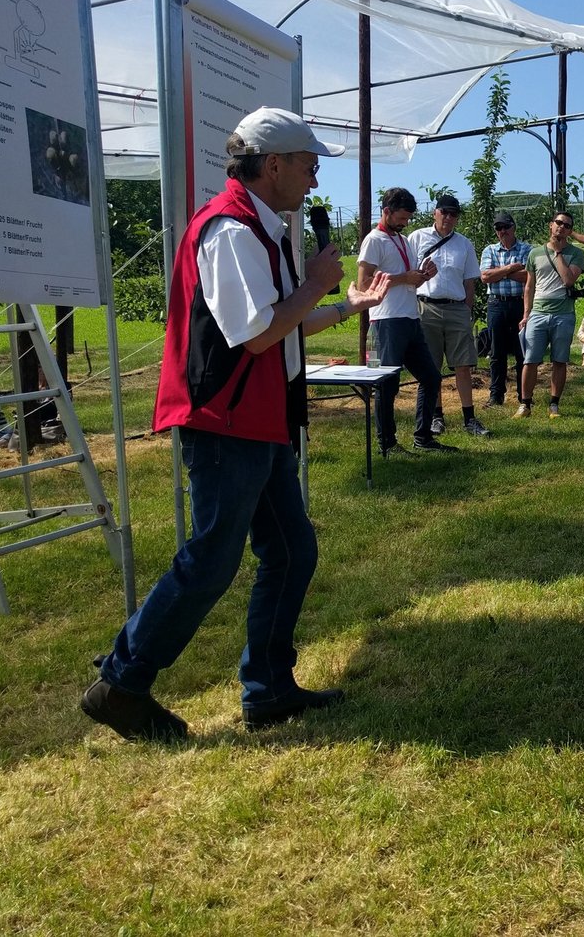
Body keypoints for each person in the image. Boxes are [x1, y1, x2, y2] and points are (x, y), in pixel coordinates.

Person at [81, 107, 390, 741]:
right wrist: (318, 283)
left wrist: (343, 302)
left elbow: (282, 322)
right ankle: (121, 682)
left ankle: (269, 688)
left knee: (291, 549)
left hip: (258, 420)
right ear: (272, 164)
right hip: (225, 422)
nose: (313, 178)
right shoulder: (231, 229)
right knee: (211, 561)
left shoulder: (260, 227)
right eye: (308, 165)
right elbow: (255, 335)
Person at [358, 188, 451, 456]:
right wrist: (404, 278)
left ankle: (422, 436)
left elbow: (408, 277)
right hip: (385, 320)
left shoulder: (402, 240)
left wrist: (423, 275)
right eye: (401, 217)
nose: (405, 223)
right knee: (386, 382)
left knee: (431, 376)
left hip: (410, 317)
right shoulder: (373, 240)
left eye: (408, 218)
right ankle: (386, 443)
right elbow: (364, 283)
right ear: (386, 211)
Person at [409, 193, 489, 438]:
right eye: (445, 212)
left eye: (454, 214)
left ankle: (469, 417)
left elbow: (469, 282)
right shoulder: (416, 238)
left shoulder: (463, 244)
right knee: (431, 367)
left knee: (463, 365)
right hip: (426, 306)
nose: (449, 218)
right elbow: (408, 273)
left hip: (456, 308)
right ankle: (436, 417)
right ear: (435, 212)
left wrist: (466, 310)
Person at [517, 210, 584, 418]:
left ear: (570, 231)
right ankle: (525, 404)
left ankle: (554, 404)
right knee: (530, 360)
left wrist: (557, 253)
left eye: (567, 225)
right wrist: (526, 314)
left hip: (563, 314)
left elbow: (568, 280)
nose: (561, 227)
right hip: (538, 313)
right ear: (551, 224)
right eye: (559, 223)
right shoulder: (535, 253)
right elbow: (529, 286)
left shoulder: (576, 254)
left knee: (559, 360)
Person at [480, 210, 531, 408]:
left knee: (521, 352)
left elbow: (528, 276)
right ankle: (496, 396)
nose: (503, 231)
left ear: (513, 227)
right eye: (498, 228)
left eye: (506, 227)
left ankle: (523, 395)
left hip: (519, 303)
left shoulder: (527, 249)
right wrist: (512, 268)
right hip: (496, 304)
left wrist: (498, 273)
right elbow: (485, 277)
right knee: (496, 352)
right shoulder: (489, 250)